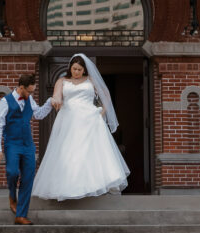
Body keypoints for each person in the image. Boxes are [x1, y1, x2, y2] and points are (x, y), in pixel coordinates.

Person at [32, 52, 130, 201]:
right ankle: (68, 187)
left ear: (84, 69)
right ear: (70, 68)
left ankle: (94, 185)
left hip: (90, 119)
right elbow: (57, 95)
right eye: (74, 69)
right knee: (69, 152)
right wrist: (56, 99)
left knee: (92, 152)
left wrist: (102, 112)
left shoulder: (91, 80)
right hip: (68, 119)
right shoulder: (62, 81)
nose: (76, 72)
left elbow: (106, 94)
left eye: (79, 69)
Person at [0, 72, 53, 225]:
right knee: (12, 172)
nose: (31, 94)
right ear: (21, 88)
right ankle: (12, 196)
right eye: (29, 91)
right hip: (12, 144)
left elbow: (38, 115)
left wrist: (49, 102)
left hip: (28, 145)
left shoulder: (29, 99)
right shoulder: (5, 102)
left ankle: (21, 215)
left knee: (27, 178)